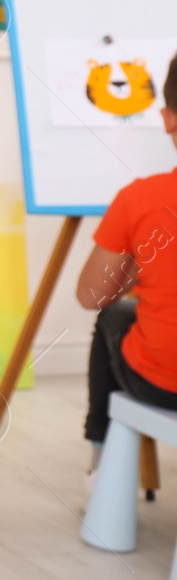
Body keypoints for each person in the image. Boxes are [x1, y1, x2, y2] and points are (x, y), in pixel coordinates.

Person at [76, 53, 177, 490]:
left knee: (111, 316)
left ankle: (101, 449)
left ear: (167, 118)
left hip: (163, 386)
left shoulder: (141, 199)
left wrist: (138, 266)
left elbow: (91, 295)